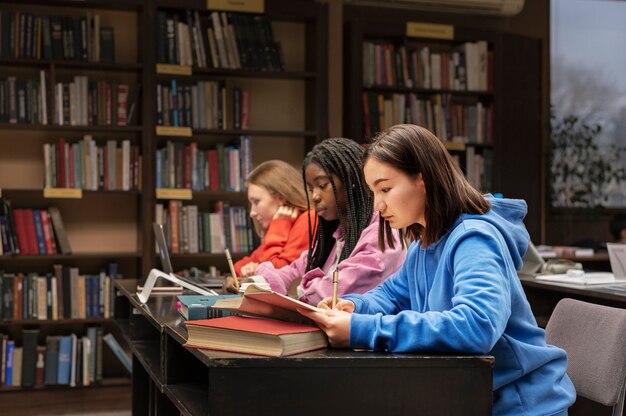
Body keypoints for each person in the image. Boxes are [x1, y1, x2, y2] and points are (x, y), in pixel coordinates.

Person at [299, 125, 576, 416]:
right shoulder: (423, 244)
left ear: (423, 179)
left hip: (519, 405)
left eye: (385, 189)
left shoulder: (474, 239)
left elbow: (476, 326)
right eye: (373, 193)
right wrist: (354, 306)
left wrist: (362, 330)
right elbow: (392, 294)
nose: (378, 205)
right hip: (468, 395)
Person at [224, 138, 405, 305]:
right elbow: (294, 270)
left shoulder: (382, 236)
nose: (315, 197)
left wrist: (296, 289)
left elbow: (331, 293)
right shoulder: (336, 236)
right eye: (310, 189)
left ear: (351, 181)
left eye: (322, 185)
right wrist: (252, 283)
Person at [233, 160, 315, 277]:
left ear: (281, 198)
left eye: (257, 202)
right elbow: (238, 267)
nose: (252, 213)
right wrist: (246, 269)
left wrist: (279, 227)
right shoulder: (287, 222)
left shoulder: (308, 219)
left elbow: (275, 275)